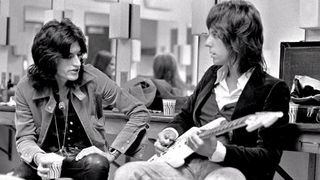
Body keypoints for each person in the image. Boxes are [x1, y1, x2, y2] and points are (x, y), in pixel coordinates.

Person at [114, 1, 290, 180]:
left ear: (237, 40)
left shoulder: (272, 89)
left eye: (215, 35)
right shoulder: (212, 75)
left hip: (227, 170)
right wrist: (171, 132)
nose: (207, 43)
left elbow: (268, 158)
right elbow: (185, 116)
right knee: (126, 173)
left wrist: (217, 151)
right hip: (185, 166)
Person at [12, 18, 150, 180]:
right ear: (49, 58)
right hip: (45, 160)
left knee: (97, 164)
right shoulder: (25, 87)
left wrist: (111, 154)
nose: (77, 63)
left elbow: (139, 112)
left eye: (78, 55)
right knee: (18, 176)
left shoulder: (92, 77)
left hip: (85, 160)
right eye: (69, 56)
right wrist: (39, 157)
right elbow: (25, 138)